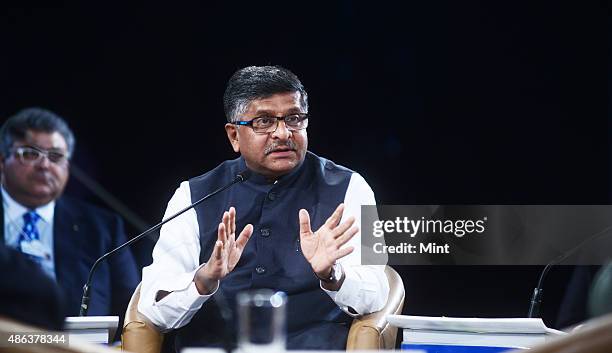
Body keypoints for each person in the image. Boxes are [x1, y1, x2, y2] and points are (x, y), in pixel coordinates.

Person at [139, 65, 389, 350]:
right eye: (263, 122)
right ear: (234, 136)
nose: (283, 133)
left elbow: (377, 293)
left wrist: (332, 273)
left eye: (294, 119)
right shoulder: (193, 196)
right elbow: (152, 309)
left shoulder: (349, 188)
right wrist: (203, 280)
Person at [0, 107, 139, 319]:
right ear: (2, 161)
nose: (44, 165)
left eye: (55, 156)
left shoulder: (102, 228)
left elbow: (132, 311)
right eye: (30, 154)